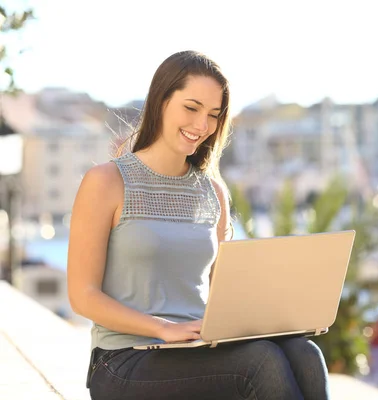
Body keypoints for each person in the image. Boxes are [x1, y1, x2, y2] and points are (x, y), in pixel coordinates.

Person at [67, 50, 329, 400]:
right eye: (191, 108)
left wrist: (286, 318)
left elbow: (226, 293)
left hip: (196, 349)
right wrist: (164, 328)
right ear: (161, 101)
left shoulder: (213, 192)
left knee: (305, 354)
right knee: (260, 364)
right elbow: (82, 296)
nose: (201, 126)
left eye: (213, 115)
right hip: (124, 360)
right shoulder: (106, 181)